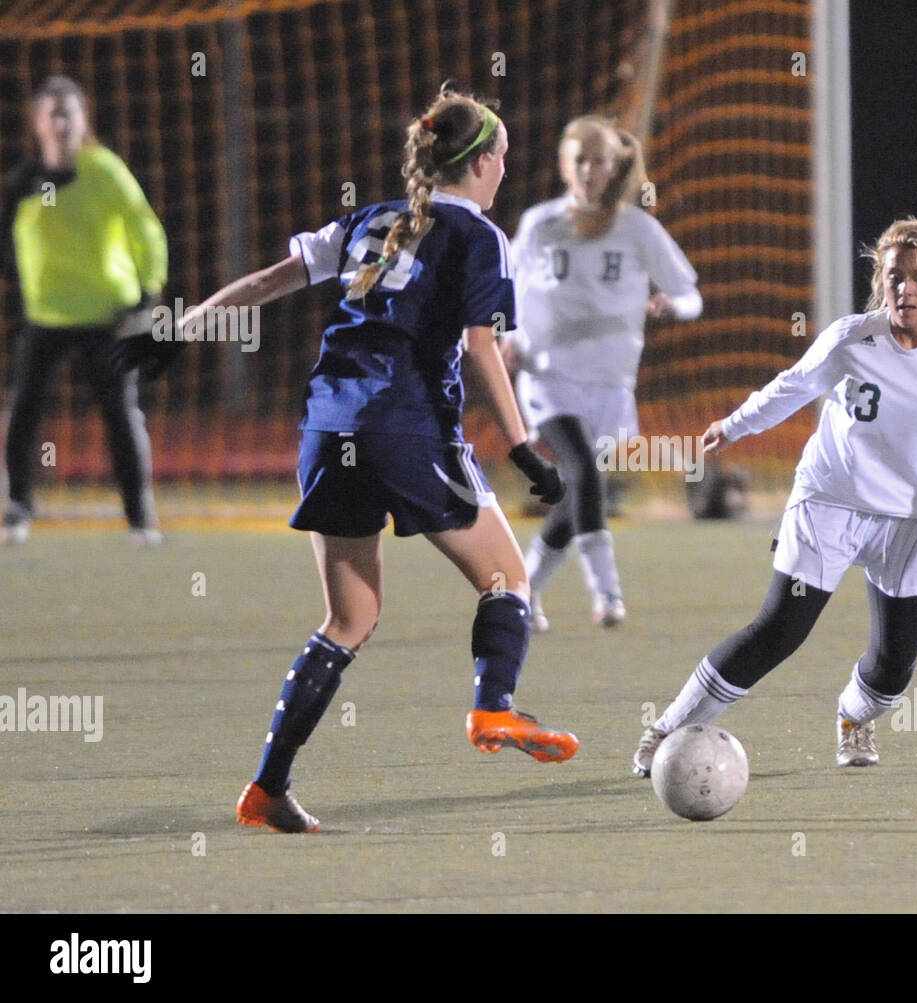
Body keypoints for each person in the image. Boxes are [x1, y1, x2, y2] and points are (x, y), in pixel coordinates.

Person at [119, 84, 578, 833]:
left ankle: (267, 788)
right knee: (506, 578)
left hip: (328, 428)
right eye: (503, 156)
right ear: (485, 162)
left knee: (350, 616)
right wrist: (525, 448)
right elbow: (481, 347)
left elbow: (270, 281)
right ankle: (494, 708)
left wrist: (180, 329)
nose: (506, 169)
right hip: (407, 427)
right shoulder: (480, 237)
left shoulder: (370, 218)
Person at [632, 219, 917, 775]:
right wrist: (737, 424)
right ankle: (666, 731)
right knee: (780, 629)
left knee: (893, 669)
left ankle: (853, 716)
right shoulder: (852, 338)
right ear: (879, 280)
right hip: (830, 500)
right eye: (895, 276)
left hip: (912, 520)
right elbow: (794, 385)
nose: (905, 289)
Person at [503, 116, 701, 631]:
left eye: (599, 161)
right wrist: (508, 340)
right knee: (585, 476)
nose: (589, 170)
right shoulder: (540, 223)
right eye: (579, 160)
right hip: (549, 377)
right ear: (564, 165)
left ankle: (524, 594)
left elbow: (690, 294)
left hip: (611, 385)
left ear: (615, 167)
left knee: (577, 492)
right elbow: (510, 292)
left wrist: (670, 306)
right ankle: (608, 596)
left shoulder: (637, 228)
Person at [1, 76, 167, 545]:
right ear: (37, 123)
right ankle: (18, 510)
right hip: (46, 318)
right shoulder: (23, 184)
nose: (60, 121)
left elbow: (145, 228)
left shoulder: (104, 170)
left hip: (107, 315)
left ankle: (140, 520)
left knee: (120, 413)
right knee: (24, 414)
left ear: (83, 120)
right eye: (51, 113)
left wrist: (147, 291)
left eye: (68, 112)